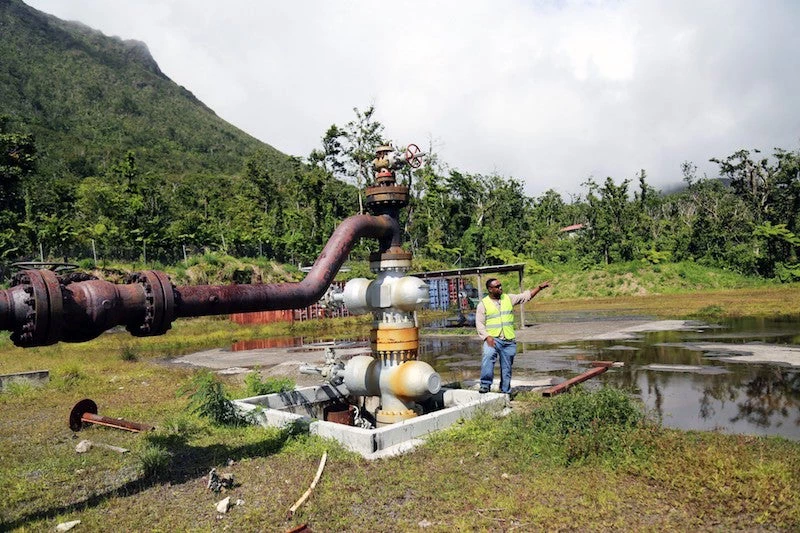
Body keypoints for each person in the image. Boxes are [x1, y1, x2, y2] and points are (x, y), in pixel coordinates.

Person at [476, 277, 550, 393]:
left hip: (508, 341)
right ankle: (485, 384)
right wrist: (486, 337)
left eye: (500, 285)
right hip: (492, 339)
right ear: (490, 289)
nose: (500, 288)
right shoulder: (483, 304)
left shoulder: (508, 298)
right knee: (488, 357)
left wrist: (539, 288)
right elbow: (479, 323)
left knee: (507, 368)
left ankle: (505, 391)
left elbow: (526, 296)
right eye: (497, 286)